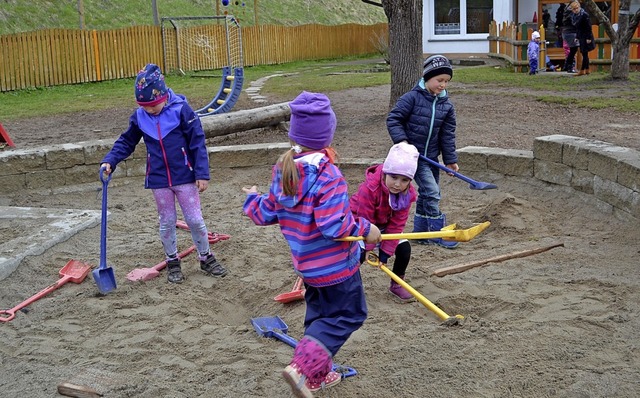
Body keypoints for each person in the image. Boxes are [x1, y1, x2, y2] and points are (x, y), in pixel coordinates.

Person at [242, 91, 381, 397]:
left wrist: (252, 198)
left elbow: (265, 213)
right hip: (336, 269)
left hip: (308, 268)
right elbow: (335, 226)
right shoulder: (328, 174)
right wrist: (366, 229)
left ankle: (317, 375)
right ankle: (301, 367)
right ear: (328, 133)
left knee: (320, 318)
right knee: (348, 315)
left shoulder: (284, 168)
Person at [100, 63, 227, 284]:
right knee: (166, 221)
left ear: (164, 95)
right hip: (159, 179)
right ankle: (172, 261)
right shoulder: (140, 117)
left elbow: (197, 142)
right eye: (144, 106)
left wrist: (201, 173)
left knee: (195, 220)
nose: (149, 109)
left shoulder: (182, 110)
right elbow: (126, 141)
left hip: (185, 177)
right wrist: (110, 160)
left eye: (153, 105)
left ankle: (206, 257)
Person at [386, 54, 459, 249]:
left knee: (427, 194)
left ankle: (420, 233)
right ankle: (437, 233)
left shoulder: (446, 105)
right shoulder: (412, 98)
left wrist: (450, 160)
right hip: (413, 158)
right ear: (427, 78)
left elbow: (447, 135)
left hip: (431, 158)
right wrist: (404, 144)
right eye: (439, 80)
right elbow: (394, 119)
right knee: (433, 192)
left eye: (446, 81)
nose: (443, 84)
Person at [349, 142, 418, 302]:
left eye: (404, 180)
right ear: (385, 173)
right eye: (393, 177)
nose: (397, 184)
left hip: (384, 226)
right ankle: (348, 288)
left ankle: (396, 284)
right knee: (357, 254)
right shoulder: (369, 188)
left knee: (404, 248)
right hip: (358, 222)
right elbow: (366, 218)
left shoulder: (406, 195)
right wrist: (368, 248)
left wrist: (385, 254)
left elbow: (397, 224)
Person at [571, 1, 596, 76]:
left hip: (586, 36)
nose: (576, 10)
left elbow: (588, 26)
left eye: (577, 8)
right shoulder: (575, 16)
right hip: (581, 36)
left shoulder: (584, 15)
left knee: (584, 53)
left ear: (579, 7)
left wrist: (588, 38)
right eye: (574, 9)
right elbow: (578, 28)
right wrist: (577, 37)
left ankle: (582, 70)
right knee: (584, 53)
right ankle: (587, 69)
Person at [561, 1, 580, 72]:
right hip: (571, 32)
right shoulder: (572, 13)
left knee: (571, 50)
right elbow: (573, 22)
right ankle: (569, 66)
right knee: (573, 50)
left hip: (567, 32)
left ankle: (567, 65)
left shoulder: (567, 10)